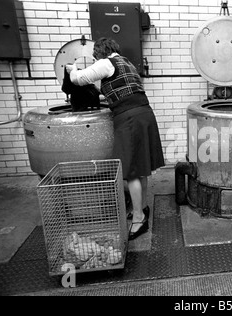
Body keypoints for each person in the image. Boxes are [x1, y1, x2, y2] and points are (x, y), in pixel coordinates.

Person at [66, 37, 165, 241]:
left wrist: (71, 69)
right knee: (141, 168)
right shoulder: (126, 63)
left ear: (101, 52)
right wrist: (104, 97)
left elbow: (78, 79)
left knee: (130, 172)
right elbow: (122, 89)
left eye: (95, 55)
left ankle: (139, 219)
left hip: (129, 119)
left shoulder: (106, 63)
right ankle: (142, 208)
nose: (95, 58)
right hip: (144, 114)